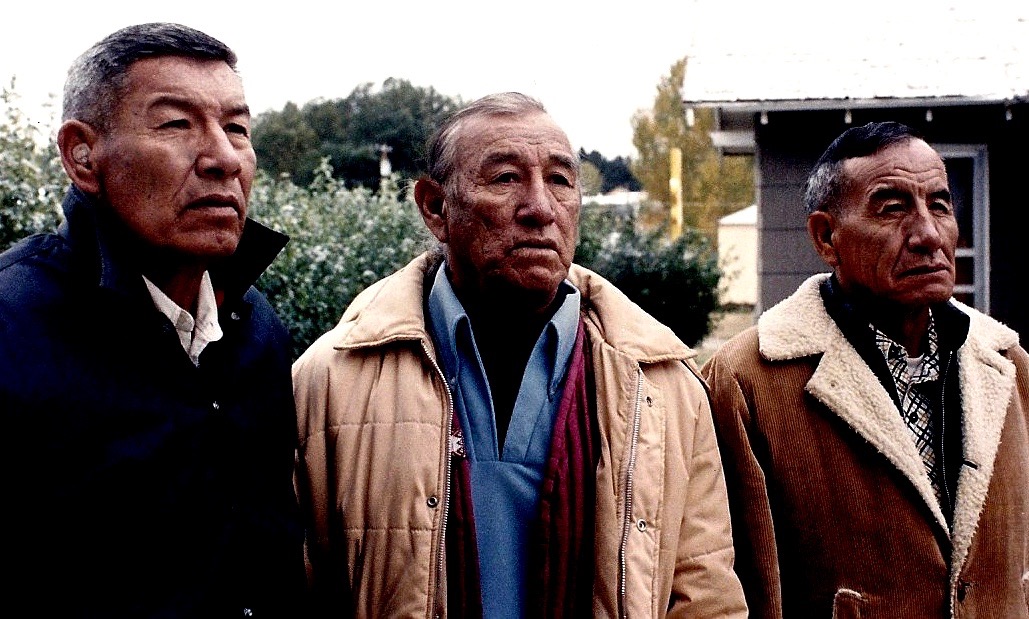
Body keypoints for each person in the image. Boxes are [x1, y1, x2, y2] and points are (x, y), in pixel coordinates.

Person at [292, 92, 747, 617]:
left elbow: (705, 594)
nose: (540, 208)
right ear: (435, 207)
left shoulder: (664, 385)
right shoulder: (331, 381)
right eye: (506, 178)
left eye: (560, 180)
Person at [0, 23, 306, 617]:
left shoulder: (254, 328)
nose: (222, 158)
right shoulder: (14, 330)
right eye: (176, 124)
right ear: (82, 155)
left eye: (237, 128)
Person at [702, 121, 1029, 618]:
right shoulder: (749, 380)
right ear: (826, 236)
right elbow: (729, 587)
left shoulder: (1007, 365)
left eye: (940, 205)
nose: (927, 234)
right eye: (893, 209)